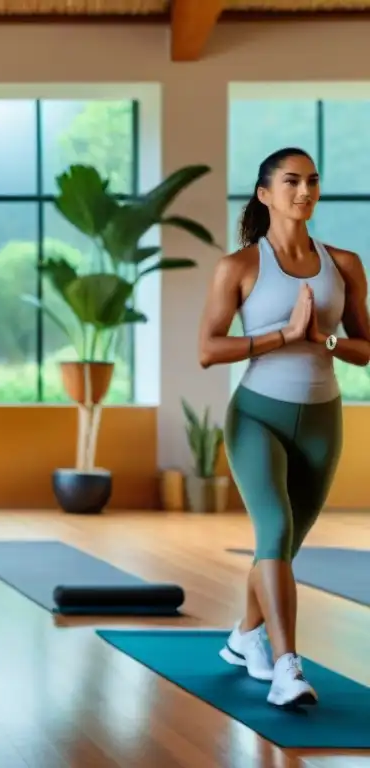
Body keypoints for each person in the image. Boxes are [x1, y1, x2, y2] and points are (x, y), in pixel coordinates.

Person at [198, 147, 370, 708]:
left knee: (285, 547)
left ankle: (243, 636)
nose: (305, 191)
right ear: (265, 193)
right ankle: (286, 667)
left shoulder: (344, 263)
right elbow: (208, 349)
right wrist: (281, 335)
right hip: (256, 416)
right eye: (291, 181)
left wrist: (320, 338)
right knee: (273, 532)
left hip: (323, 418)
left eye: (313, 181)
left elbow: (365, 349)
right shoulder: (240, 266)